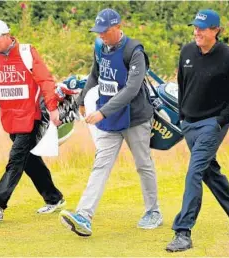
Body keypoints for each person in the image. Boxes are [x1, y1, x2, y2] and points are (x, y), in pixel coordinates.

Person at [59, 8, 162, 237]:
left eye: (105, 31)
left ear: (117, 27)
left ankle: (153, 212)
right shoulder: (100, 47)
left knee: (143, 165)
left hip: (135, 117)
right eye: (99, 32)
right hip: (110, 118)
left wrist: (102, 113)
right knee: (100, 165)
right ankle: (84, 216)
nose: (101, 36)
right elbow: (95, 75)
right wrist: (82, 100)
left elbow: (132, 89)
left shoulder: (134, 51)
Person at [166, 9, 229, 252]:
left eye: (203, 28)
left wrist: (219, 122)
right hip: (189, 124)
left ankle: (183, 232)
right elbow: (183, 85)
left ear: (216, 31)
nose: (197, 32)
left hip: (213, 124)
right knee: (207, 171)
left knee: (194, 172)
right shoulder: (187, 52)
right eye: (195, 27)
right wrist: (182, 116)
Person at [0, 20, 66, 222]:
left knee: (16, 159)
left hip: (30, 117)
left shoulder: (27, 52)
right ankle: (54, 198)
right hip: (10, 119)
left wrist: (53, 109)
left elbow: (45, 81)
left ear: (7, 35)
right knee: (29, 161)